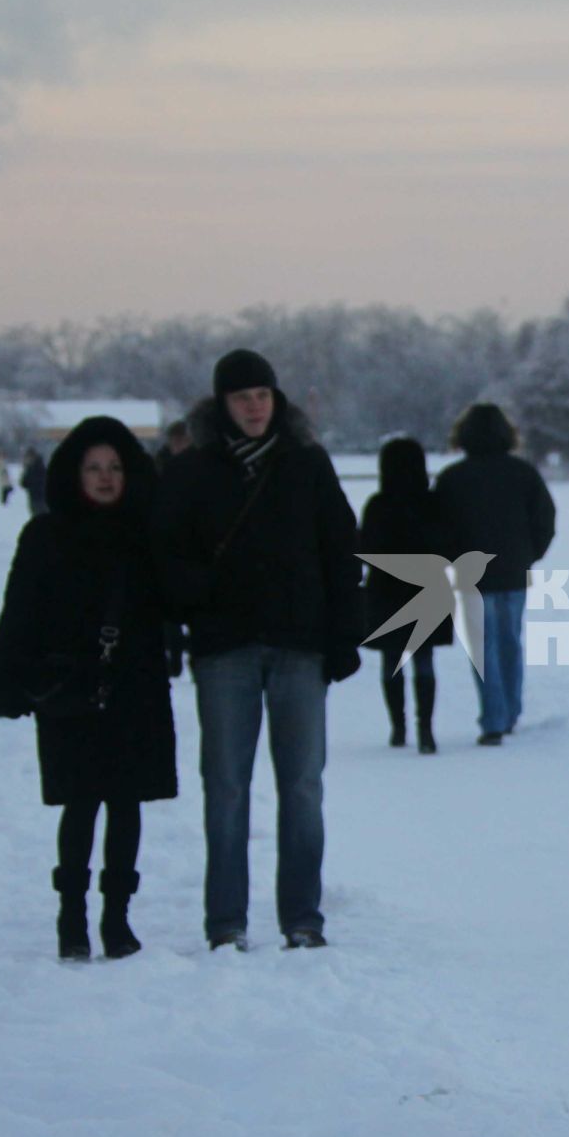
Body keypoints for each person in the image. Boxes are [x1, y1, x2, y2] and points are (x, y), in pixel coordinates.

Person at [154, 349, 362, 951]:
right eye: (242, 397)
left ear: (277, 400)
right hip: (225, 649)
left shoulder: (307, 464)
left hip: (300, 646)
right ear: (222, 404)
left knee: (302, 785)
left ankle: (302, 917)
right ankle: (226, 922)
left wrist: (344, 636)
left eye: (263, 395)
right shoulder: (193, 472)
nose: (254, 406)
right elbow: (165, 554)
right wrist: (197, 601)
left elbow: (340, 551)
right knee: (225, 786)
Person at [0, 416, 176, 960]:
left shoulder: (147, 532)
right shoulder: (45, 534)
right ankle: (71, 916)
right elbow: (18, 609)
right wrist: (8, 673)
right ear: (74, 473)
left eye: (115, 468)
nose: (106, 478)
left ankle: (117, 918)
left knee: (127, 803)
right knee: (81, 803)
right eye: (94, 468)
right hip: (69, 685)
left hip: (135, 686)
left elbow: (180, 599)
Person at [433, 404, 555, 746]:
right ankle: (511, 711)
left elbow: (440, 528)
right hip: (514, 571)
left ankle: (493, 719)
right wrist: (530, 554)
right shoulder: (524, 474)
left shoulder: (452, 479)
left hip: (472, 575)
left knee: (483, 649)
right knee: (510, 643)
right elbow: (545, 519)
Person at [360, 436, 454, 753]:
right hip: (429, 589)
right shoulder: (434, 504)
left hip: (385, 591)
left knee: (391, 662)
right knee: (424, 661)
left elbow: (364, 548)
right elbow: (448, 545)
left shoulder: (378, 505)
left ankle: (398, 728)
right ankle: (425, 730)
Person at [153, 420, 195, 676]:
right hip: (170, 547)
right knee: (170, 616)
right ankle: (176, 659)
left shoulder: (201, 465)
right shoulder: (161, 466)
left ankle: (188, 657)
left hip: (195, 547)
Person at [20, 447, 49, 517]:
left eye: (28, 457)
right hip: (35, 498)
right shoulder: (31, 468)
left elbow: (25, 483)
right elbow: (23, 483)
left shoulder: (38, 468)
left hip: (40, 498)